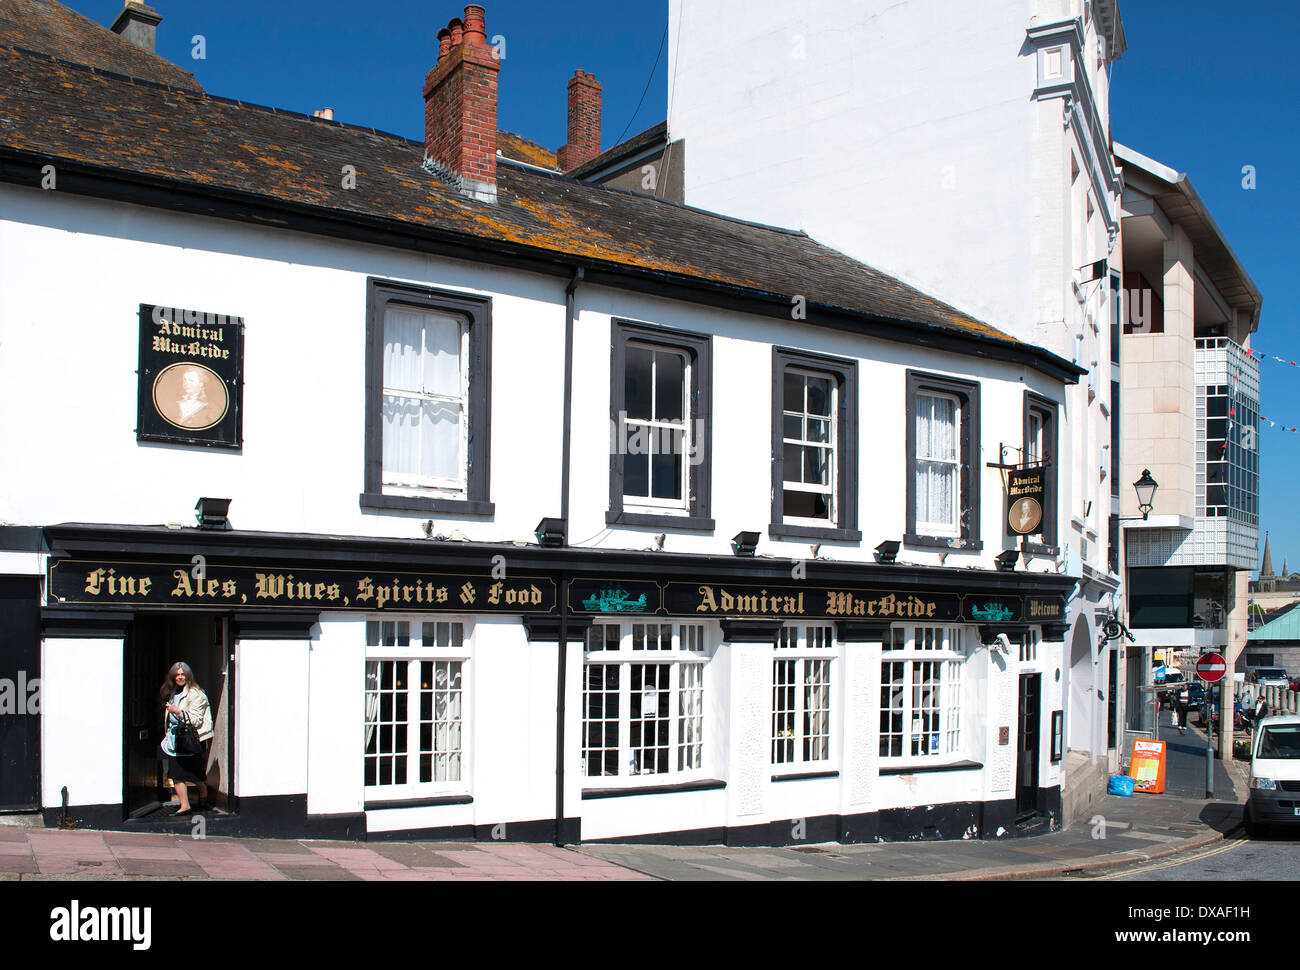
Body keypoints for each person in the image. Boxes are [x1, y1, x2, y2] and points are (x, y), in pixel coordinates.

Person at [159, 662, 213, 815]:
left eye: (183, 674)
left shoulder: (196, 694)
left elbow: (195, 720)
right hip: (175, 738)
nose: (180, 677)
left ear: (189, 676)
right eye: (177, 674)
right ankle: (193, 800)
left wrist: (177, 712)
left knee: (187, 773)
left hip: (190, 739)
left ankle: (194, 799)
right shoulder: (173, 691)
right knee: (182, 772)